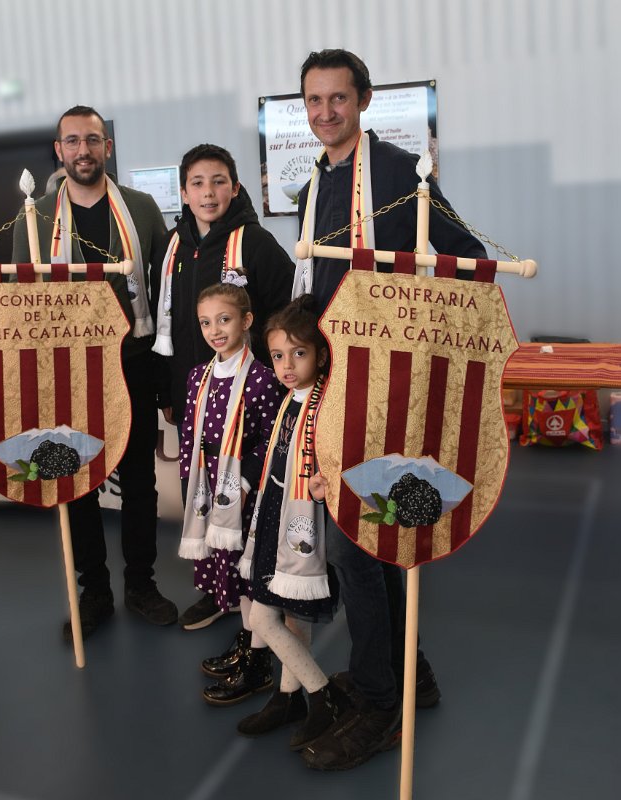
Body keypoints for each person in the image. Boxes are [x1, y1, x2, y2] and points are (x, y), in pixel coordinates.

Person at [295, 49, 489, 771]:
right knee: (366, 542)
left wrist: (414, 332)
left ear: (364, 100)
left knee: (359, 543)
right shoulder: (316, 181)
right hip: (333, 385)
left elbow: (466, 258)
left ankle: (380, 705)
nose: (325, 113)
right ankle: (412, 675)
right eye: (313, 101)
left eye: (337, 99)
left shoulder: (399, 172)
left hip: (385, 391)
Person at [12, 105, 177, 639]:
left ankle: (141, 584)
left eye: (92, 139)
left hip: (134, 363)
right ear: (58, 150)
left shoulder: (141, 208)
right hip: (67, 368)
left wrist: (166, 375)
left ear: (107, 146)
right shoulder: (35, 216)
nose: (83, 150)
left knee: (140, 481)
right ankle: (95, 592)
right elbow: (21, 298)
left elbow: (164, 291)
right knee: (74, 479)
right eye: (72, 141)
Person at [151, 143, 294, 630]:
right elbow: (168, 325)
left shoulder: (255, 244)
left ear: (235, 187)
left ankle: (259, 591)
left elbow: (289, 316)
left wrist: (279, 379)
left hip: (250, 398)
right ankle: (218, 590)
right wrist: (169, 393)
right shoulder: (172, 248)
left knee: (248, 498)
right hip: (194, 395)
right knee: (203, 494)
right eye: (197, 183)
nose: (208, 192)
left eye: (218, 182)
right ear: (184, 192)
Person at [232, 295, 349, 748]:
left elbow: (336, 459)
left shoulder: (326, 405)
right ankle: (288, 697)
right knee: (282, 615)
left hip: (304, 521)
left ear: (320, 355)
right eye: (278, 355)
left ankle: (322, 696)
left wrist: (325, 482)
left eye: (298, 353)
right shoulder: (289, 402)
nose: (286, 365)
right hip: (276, 514)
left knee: (268, 618)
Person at [177, 277, 282, 705]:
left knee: (249, 574)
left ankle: (258, 661)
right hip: (210, 492)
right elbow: (191, 435)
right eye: (206, 323)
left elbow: (271, 440)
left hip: (244, 493)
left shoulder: (261, 379)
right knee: (231, 573)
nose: (215, 330)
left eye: (224, 320)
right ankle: (247, 639)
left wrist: (242, 481)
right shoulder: (198, 376)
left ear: (246, 321)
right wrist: (193, 485)